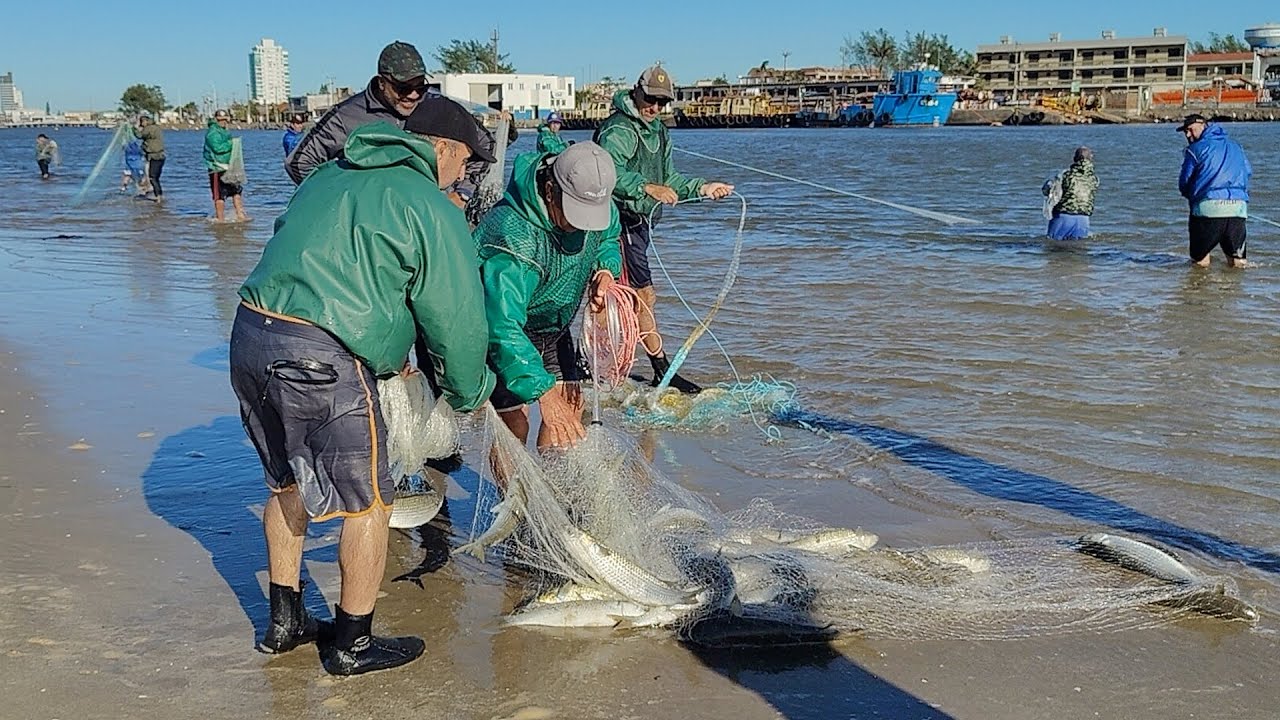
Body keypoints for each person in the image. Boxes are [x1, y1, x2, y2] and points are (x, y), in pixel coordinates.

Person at [230, 99, 497, 676]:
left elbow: (304, 248)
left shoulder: (330, 172)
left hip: (250, 332)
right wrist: (471, 390)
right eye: (468, 163)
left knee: (286, 484)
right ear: (444, 148)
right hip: (322, 355)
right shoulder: (430, 205)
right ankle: (352, 644)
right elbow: (456, 320)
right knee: (370, 502)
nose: (466, 175)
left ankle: (286, 622)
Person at [594, 65, 734, 394]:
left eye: (663, 102)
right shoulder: (618, 131)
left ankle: (630, 368)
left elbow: (670, 180)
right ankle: (638, 369)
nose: (656, 108)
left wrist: (703, 188)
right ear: (636, 92)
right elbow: (606, 175)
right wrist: (646, 187)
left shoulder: (659, 131)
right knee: (630, 295)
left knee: (633, 297)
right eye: (651, 100)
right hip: (615, 221)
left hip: (640, 224)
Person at [474, 142, 621, 450]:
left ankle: (553, 490)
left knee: (569, 411)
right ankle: (513, 495)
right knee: (516, 423)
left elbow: (608, 233)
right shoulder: (514, 235)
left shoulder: (594, 197)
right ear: (551, 190)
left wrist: (605, 271)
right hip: (505, 330)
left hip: (555, 326)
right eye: (573, 215)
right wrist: (545, 393)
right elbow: (502, 325)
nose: (580, 226)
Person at [284, 41, 430, 184]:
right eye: (403, 88)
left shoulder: (435, 106)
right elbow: (299, 163)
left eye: (421, 87)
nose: (414, 95)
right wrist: (343, 199)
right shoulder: (345, 117)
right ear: (381, 83)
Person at [1177, 113, 1252, 268]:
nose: (1188, 135)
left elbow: (1184, 183)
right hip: (1238, 208)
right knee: (1238, 262)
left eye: (1191, 130)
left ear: (1203, 126)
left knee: (1200, 262)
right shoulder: (1236, 146)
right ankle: (1238, 292)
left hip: (1208, 208)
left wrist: (1193, 195)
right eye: (1186, 132)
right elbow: (1248, 172)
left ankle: (1199, 291)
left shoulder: (1194, 149)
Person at [1041, 146, 1099, 240]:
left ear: (1074, 159)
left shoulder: (1065, 175)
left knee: (1053, 247)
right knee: (1079, 250)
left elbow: (1047, 189)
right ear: (1090, 159)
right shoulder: (1094, 179)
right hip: (1083, 219)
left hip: (1063, 217)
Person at [204, 110, 248, 222]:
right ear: (216, 120)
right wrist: (232, 143)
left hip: (229, 167)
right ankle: (221, 219)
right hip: (216, 169)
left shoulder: (224, 131)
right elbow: (218, 148)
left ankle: (241, 216)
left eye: (225, 119)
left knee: (236, 191)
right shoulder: (212, 133)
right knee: (219, 196)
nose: (223, 122)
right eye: (221, 120)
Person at [134, 114, 166, 200]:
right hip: (161, 156)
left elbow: (139, 135)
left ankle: (158, 197)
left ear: (145, 121)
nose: (141, 124)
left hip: (154, 156)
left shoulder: (149, 129)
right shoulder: (156, 128)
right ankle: (160, 195)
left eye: (142, 122)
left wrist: (135, 128)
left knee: (152, 177)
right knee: (156, 177)